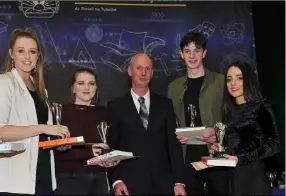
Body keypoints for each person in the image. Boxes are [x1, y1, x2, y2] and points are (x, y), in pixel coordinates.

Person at [0, 28, 70, 195]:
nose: (27, 57)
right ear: (11, 53)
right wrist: (45, 128)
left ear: (38, 55)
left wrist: (58, 142)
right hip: (15, 180)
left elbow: (41, 138)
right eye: (21, 51)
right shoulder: (4, 82)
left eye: (32, 51)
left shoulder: (40, 89)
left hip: (43, 173)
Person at [107, 53, 185, 195]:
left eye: (147, 69)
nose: (143, 73)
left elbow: (173, 146)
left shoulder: (165, 104)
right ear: (130, 71)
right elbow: (112, 147)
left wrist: (179, 181)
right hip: (129, 186)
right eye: (139, 68)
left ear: (152, 72)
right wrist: (116, 180)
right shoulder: (116, 106)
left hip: (164, 184)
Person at [167, 31, 227, 195]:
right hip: (188, 159)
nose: (192, 56)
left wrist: (219, 134)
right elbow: (170, 123)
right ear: (181, 54)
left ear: (204, 53)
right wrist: (176, 135)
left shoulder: (221, 82)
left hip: (217, 156)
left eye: (197, 50)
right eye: (187, 51)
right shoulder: (173, 88)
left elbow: (234, 118)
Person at [209, 61, 280, 195]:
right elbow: (234, 142)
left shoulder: (261, 108)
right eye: (229, 79)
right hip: (229, 180)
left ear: (248, 80)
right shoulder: (228, 112)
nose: (233, 83)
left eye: (239, 78)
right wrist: (218, 149)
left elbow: (274, 144)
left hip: (251, 178)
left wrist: (241, 159)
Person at [53, 68, 119, 195]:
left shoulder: (104, 112)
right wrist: (88, 152)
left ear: (96, 88)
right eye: (81, 83)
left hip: (99, 179)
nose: (87, 87)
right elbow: (55, 150)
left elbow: (110, 144)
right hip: (69, 178)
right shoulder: (61, 112)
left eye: (91, 83)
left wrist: (111, 157)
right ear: (73, 88)